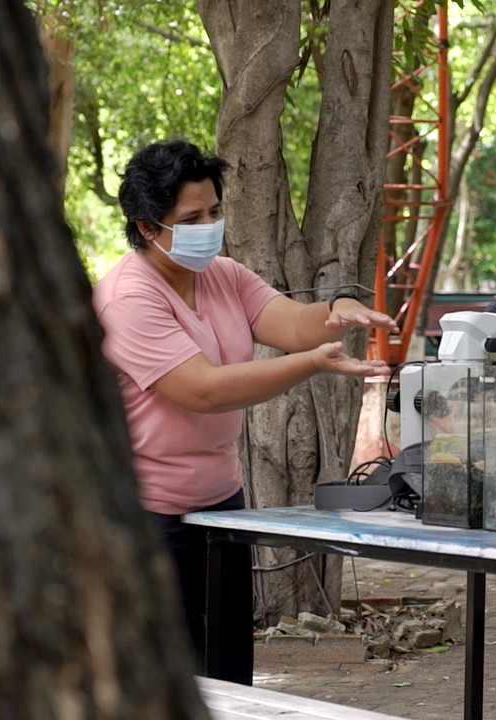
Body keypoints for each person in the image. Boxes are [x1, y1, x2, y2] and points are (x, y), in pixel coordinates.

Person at [92, 140, 396, 683]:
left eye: (214, 211)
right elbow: (203, 390)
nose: (209, 226)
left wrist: (337, 310)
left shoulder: (224, 275)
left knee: (229, 670)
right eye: (191, 219)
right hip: (149, 516)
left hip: (222, 506)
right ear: (146, 227)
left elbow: (293, 323)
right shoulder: (128, 299)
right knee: (168, 680)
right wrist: (312, 364)